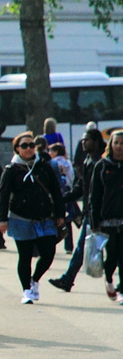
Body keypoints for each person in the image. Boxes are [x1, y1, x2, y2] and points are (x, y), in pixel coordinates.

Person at [0, 132, 65, 304]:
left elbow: (56, 191)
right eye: (24, 146)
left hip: (44, 217)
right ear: (17, 149)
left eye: (31, 145)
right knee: (25, 256)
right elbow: (3, 195)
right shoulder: (11, 170)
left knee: (49, 252)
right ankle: (26, 290)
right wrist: (1, 218)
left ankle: (35, 280)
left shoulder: (44, 166)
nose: (28, 149)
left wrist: (60, 214)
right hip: (21, 218)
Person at [48, 129, 106, 292]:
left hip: (103, 212)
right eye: (82, 140)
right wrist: (62, 199)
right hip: (91, 211)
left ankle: (68, 279)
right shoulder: (88, 160)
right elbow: (81, 186)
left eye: (86, 140)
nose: (83, 143)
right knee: (84, 247)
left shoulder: (102, 161)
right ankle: (67, 279)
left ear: (95, 141)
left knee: (108, 248)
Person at [89, 130, 123, 301]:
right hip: (107, 220)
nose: (119, 147)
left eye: (122, 143)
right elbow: (94, 196)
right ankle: (109, 279)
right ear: (111, 145)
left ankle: (122, 289)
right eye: (116, 143)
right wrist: (94, 221)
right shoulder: (102, 166)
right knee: (112, 256)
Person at [48, 142, 76, 253]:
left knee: (57, 219)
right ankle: (69, 246)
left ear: (56, 152)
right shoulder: (67, 162)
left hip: (60, 192)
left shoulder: (56, 163)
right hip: (69, 191)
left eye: (51, 151)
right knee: (67, 220)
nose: (49, 153)